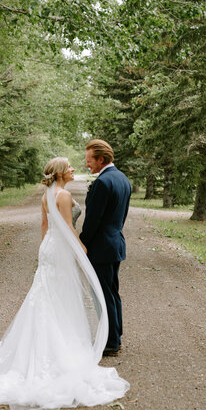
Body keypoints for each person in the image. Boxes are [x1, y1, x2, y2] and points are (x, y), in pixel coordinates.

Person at [0, 157, 129, 410]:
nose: (73, 169)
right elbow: (69, 228)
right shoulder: (63, 195)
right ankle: (58, 347)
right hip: (60, 249)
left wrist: (43, 250)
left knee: (44, 295)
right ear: (59, 173)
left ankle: (34, 346)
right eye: (69, 167)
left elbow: (45, 226)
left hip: (48, 247)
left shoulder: (46, 195)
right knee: (60, 297)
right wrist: (81, 249)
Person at [80, 140, 131, 356]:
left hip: (101, 248)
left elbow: (93, 221)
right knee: (112, 293)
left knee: (103, 295)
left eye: (89, 160)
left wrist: (81, 242)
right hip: (115, 243)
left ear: (101, 159)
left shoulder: (103, 183)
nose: (87, 165)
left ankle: (110, 342)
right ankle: (115, 337)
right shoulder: (122, 179)